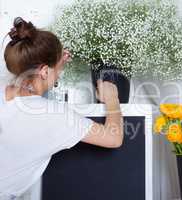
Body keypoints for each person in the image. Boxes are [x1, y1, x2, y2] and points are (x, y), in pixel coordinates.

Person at [0, 17, 124, 199]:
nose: (59, 74)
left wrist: (54, 64)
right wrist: (112, 98)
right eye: (58, 69)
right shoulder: (55, 116)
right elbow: (114, 138)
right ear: (43, 71)